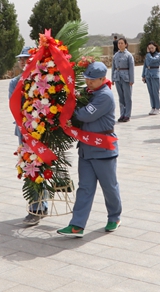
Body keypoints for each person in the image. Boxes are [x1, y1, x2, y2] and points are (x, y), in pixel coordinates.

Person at [58, 62, 121, 237]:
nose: (88, 82)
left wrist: (66, 112)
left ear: (103, 79)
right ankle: (77, 225)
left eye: (92, 80)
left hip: (102, 149)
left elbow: (84, 114)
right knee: (84, 187)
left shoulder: (105, 96)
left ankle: (114, 217)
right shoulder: (89, 92)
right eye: (87, 79)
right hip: (86, 148)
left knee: (109, 187)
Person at [9, 46, 48, 225]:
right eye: (21, 59)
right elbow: (15, 109)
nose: (23, 62)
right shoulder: (14, 83)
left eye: (27, 59)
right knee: (29, 166)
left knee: (41, 166)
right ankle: (35, 206)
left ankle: (41, 206)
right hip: (25, 132)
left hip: (41, 132)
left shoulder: (42, 80)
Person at [111, 37, 135, 123]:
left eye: (122, 43)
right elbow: (113, 67)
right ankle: (122, 114)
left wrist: (132, 80)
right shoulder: (115, 55)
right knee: (121, 97)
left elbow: (131, 68)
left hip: (126, 78)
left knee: (127, 97)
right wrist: (112, 79)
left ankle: (127, 115)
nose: (120, 45)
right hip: (117, 77)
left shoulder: (128, 55)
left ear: (126, 44)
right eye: (119, 43)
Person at [142, 41, 160, 115]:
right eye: (149, 48)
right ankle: (153, 107)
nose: (151, 49)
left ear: (155, 47)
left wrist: (148, 54)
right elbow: (145, 65)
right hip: (148, 74)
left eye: (152, 48)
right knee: (150, 92)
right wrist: (143, 75)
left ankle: (157, 107)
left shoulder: (159, 55)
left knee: (155, 92)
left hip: (155, 74)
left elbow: (153, 60)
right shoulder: (148, 56)